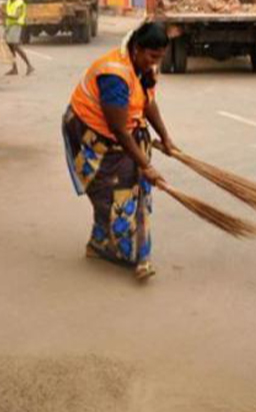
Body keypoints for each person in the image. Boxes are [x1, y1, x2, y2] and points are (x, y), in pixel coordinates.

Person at [62, 22, 177, 281]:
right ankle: (107, 248)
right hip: (92, 136)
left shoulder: (145, 68)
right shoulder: (114, 75)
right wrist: (146, 165)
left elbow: (148, 102)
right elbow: (119, 129)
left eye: (160, 57)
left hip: (122, 134)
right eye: (151, 56)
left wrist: (166, 138)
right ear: (136, 49)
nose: (155, 63)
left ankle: (119, 247)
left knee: (136, 188)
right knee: (115, 191)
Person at [4, 0, 33, 76]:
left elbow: (17, 16)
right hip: (9, 25)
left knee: (15, 46)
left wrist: (5, 14)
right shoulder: (9, 2)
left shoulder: (20, 3)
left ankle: (29, 65)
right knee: (10, 47)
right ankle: (14, 68)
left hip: (16, 25)